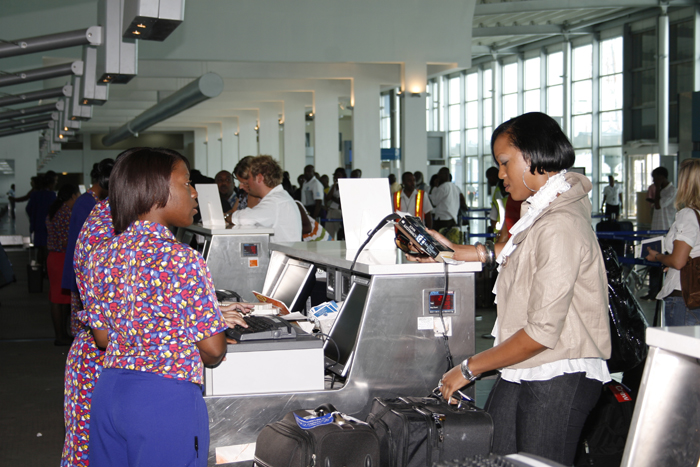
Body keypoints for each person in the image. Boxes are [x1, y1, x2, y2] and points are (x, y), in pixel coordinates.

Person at [416, 112, 611, 465]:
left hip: (560, 372)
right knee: (496, 453)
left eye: (505, 163)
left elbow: (540, 333)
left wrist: (469, 368)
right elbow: (514, 249)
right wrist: (452, 252)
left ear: (533, 156)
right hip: (529, 364)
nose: (500, 174)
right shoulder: (546, 207)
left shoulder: (560, 223)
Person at [82, 148, 235, 467]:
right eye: (186, 183)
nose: (194, 193)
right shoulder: (183, 259)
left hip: (109, 393)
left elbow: (102, 338)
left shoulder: (99, 256)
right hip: (164, 401)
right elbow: (213, 349)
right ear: (155, 191)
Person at [60, 159, 114, 467]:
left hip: (94, 351)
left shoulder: (105, 217)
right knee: (92, 451)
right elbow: (107, 328)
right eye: (184, 184)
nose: (193, 193)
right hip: (98, 358)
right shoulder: (108, 230)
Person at [645, 158, 700, 325]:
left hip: (683, 295)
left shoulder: (688, 215)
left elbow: (678, 261)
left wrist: (659, 257)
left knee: (679, 350)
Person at [229, 155, 302, 242]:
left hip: (280, 254)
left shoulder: (274, 202)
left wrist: (227, 217)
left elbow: (245, 218)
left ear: (259, 178)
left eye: (248, 178)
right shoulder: (279, 197)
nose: (242, 185)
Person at [46, 184, 80, 346]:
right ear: (72, 196)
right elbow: (66, 240)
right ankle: (61, 336)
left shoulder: (55, 210)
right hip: (62, 257)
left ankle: (60, 334)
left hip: (53, 257)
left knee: (56, 298)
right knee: (60, 300)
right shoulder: (66, 213)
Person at [642, 166, 677, 300]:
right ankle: (653, 292)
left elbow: (658, 205)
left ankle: (665, 292)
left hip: (666, 233)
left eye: (656, 178)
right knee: (653, 266)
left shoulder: (673, 191)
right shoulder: (660, 191)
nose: (654, 181)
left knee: (665, 265)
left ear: (662, 177)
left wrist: (657, 189)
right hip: (655, 233)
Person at [27, 171, 58, 275]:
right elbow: (55, 209)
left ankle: (39, 270)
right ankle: (46, 270)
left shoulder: (35, 195)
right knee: (46, 248)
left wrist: (34, 218)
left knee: (40, 248)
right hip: (47, 226)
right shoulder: (51, 195)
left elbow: (29, 208)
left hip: (37, 225)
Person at [325, 167, 346, 240]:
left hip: (338, 211)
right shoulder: (333, 186)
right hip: (331, 210)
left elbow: (341, 201)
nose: (337, 177)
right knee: (329, 231)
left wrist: (333, 198)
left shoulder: (345, 186)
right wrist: (334, 185)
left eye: (339, 175)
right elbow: (328, 198)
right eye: (336, 175)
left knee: (339, 231)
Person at [486, 167, 506, 234]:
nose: (488, 181)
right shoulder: (498, 188)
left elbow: (500, 209)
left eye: (488, 178)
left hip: (501, 229)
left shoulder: (499, 191)